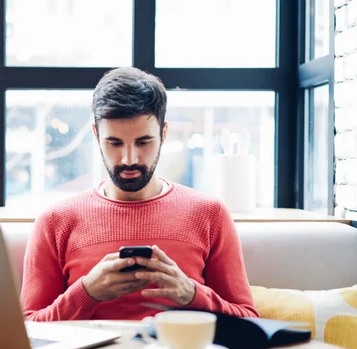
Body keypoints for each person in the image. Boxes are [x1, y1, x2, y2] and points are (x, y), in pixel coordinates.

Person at [20, 67, 258, 321]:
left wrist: (192, 295)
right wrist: (86, 293)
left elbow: (249, 321)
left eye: (143, 142)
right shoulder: (56, 221)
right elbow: (27, 329)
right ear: (96, 134)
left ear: (163, 134)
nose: (129, 159)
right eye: (114, 143)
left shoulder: (209, 214)